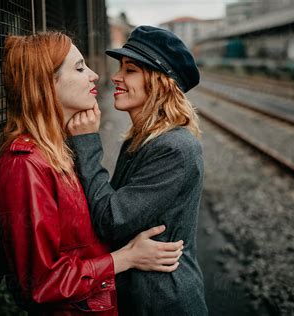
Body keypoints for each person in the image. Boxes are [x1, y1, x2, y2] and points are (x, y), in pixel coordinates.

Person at [0, 32, 184, 316]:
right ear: (47, 82)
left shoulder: (57, 150)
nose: (96, 75)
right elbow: (41, 283)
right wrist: (124, 258)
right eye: (80, 67)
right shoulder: (25, 164)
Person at [68, 26, 208, 315]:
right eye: (121, 67)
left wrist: (86, 142)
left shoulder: (174, 148)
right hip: (142, 294)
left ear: (159, 83)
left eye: (130, 70)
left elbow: (111, 219)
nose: (117, 76)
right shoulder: (142, 137)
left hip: (163, 301)